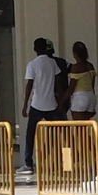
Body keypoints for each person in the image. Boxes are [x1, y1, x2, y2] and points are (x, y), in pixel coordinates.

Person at [21, 37, 64, 171]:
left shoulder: (32, 65)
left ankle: (28, 163)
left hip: (37, 104)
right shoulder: (52, 63)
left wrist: (25, 104)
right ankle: (57, 161)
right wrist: (59, 97)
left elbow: (29, 84)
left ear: (35, 49)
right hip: (51, 104)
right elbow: (58, 81)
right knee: (57, 132)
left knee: (30, 134)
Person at [68, 41, 98, 121]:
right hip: (91, 96)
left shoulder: (76, 67)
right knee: (86, 126)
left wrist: (61, 102)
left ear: (74, 54)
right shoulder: (90, 66)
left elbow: (71, 88)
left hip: (80, 97)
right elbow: (92, 84)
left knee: (79, 128)